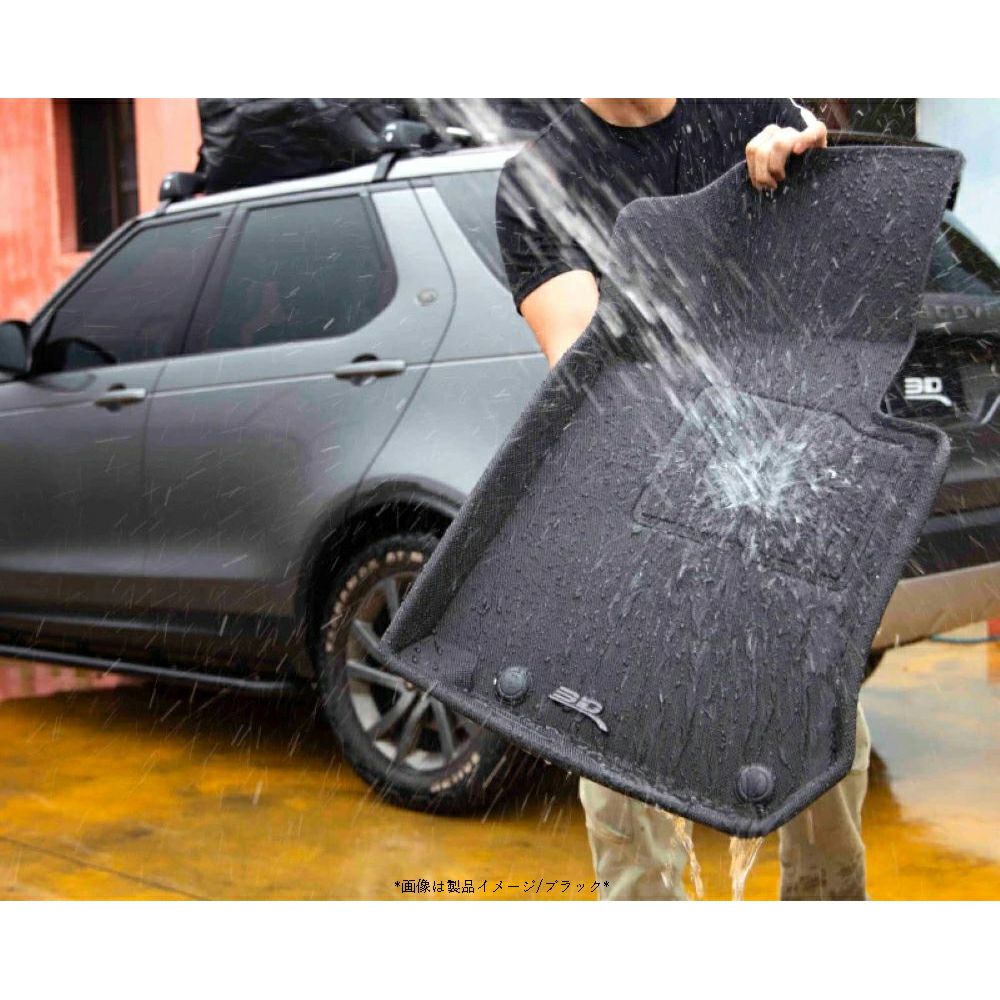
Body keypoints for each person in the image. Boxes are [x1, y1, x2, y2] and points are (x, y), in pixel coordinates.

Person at [495, 98, 871, 901]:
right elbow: (591, 371)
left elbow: (844, 256)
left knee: (824, 776)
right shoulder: (538, 181)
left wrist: (811, 160)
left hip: (780, 510)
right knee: (626, 813)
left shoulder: (748, 108)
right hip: (632, 533)